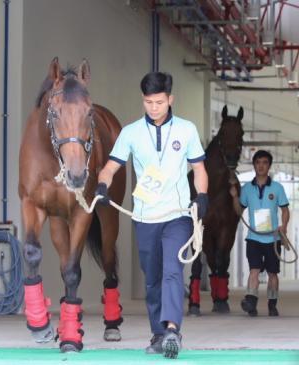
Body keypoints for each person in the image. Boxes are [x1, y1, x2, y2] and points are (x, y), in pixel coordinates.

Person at [95, 72, 208, 359]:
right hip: (145, 217)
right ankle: (158, 333)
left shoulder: (187, 130)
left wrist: (202, 197)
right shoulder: (131, 132)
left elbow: (199, 170)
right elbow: (110, 167)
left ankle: (172, 330)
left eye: (159, 102)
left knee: (172, 269)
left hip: (177, 214)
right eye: (148, 102)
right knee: (152, 278)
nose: (154, 107)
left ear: (170, 99)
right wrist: (102, 185)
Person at [233, 150, 290, 317]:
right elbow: (238, 211)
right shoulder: (246, 189)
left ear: (269, 166)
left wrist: (284, 226)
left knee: (273, 273)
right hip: (254, 238)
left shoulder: (278, 188)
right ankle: (251, 302)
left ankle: (272, 304)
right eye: (258, 162)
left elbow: (285, 210)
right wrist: (235, 197)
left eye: (264, 162)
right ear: (254, 165)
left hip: (273, 238)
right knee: (254, 270)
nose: (261, 166)